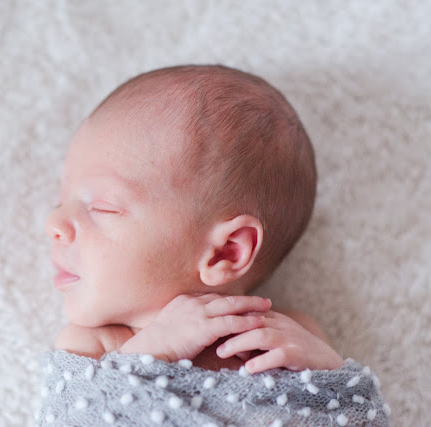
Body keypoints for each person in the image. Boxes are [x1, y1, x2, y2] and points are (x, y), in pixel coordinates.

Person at [45, 65, 343, 375]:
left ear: (225, 251)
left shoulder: (288, 336)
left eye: (102, 207)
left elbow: (360, 417)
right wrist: (150, 355)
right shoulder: (91, 348)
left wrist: (332, 373)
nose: (54, 222)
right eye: (61, 203)